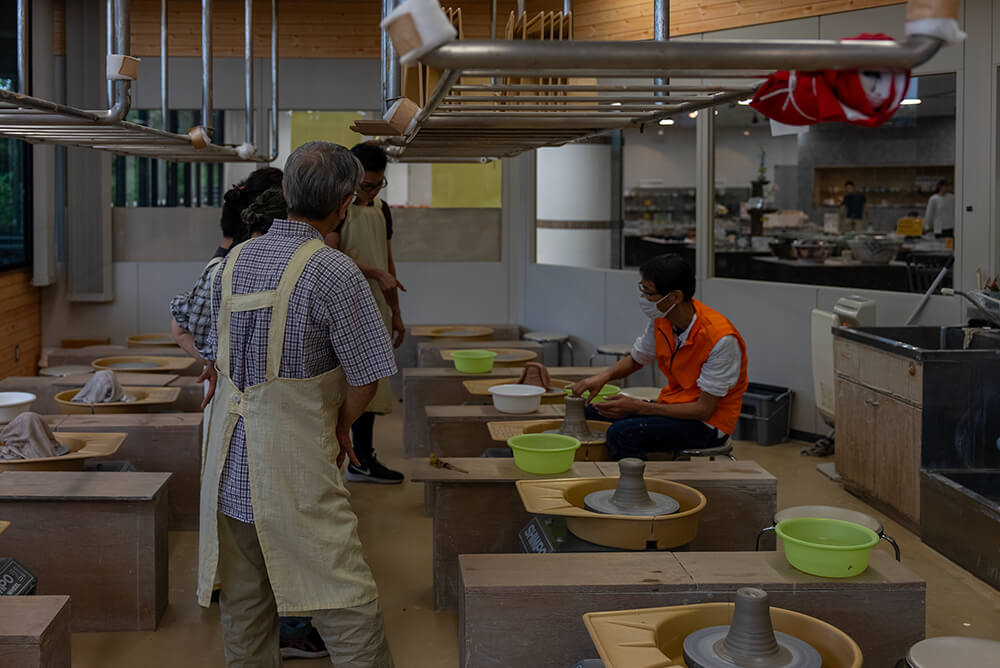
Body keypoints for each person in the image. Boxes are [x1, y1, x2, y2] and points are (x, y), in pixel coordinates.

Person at [197, 141, 397, 668]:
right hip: (295, 466)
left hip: (229, 465)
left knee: (245, 605)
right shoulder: (334, 272)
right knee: (344, 598)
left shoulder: (231, 262)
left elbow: (203, 345)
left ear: (285, 192)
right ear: (346, 203)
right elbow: (367, 377)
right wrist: (340, 425)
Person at [571, 254, 749, 460]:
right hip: (672, 405)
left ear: (674, 297)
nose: (643, 299)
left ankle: (640, 487)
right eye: (642, 289)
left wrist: (640, 408)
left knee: (622, 433)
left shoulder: (720, 339)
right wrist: (602, 377)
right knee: (593, 413)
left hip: (707, 424)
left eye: (649, 292)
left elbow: (703, 410)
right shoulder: (663, 319)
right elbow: (638, 358)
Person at [324, 143, 406, 484]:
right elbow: (329, 253)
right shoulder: (335, 209)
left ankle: (363, 457)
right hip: (347, 302)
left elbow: (389, 265)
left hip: (376, 304)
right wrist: (374, 272)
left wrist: (396, 313)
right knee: (349, 383)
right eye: (365, 185)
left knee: (375, 386)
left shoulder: (382, 210)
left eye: (377, 185)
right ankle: (345, 457)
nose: (370, 191)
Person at [170, 167, 283, 364]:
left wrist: (213, 364)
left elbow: (180, 329)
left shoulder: (221, 267)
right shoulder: (229, 268)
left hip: (227, 386)